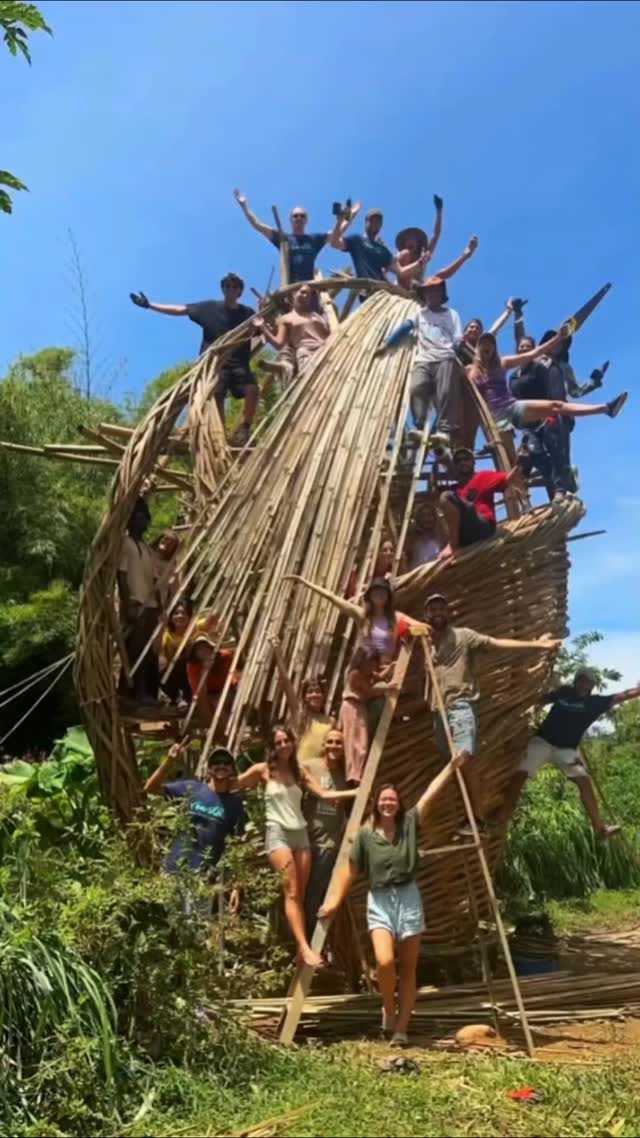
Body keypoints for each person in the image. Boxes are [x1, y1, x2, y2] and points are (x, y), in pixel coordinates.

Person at [319, 754, 466, 1046]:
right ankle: (388, 1006)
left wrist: (450, 767)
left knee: (409, 968)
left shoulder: (409, 823)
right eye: (383, 800)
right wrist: (334, 903)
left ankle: (401, 1028)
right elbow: (350, 870)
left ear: (398, 804)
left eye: (392, 800)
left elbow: (430, 795)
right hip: (380, 899)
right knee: (385, 962)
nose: (388, 804)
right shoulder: (365, 835)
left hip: (409, 897)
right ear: (376, 802)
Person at [422, 593, 561, 831]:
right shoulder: (426, 643)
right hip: (439, 712)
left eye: (441, 609)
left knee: (464, 759)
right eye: (432, 610)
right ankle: (468, 817)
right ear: (426, 615)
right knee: (454, 767)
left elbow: (495, 643)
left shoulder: (463, 636)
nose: (437, 614)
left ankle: (476, 818)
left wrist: (537, 644)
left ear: (448, 613)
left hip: (460, 707)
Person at [236, 726, 355, 967]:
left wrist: (357, 791)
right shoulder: (263, 770)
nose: (283, 746)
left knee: (300, 895)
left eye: (286, 741)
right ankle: (304, 947)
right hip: (277, 831)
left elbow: (323, 794)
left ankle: (302, 951)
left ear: (293, 743)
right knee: (291, 892)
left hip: (300, 834)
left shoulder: (299, 772)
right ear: (273, 746)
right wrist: (213, 781)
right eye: (278, 743)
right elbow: (234, 784)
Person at [491, 670, 640, 837]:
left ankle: (600, 827)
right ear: (576, 682)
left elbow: (624, 695)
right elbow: (541, 700)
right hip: (543, 742)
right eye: (581, 681)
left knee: (584, 781)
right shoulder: (564, 692)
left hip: (566, 750)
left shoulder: (595, 703)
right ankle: (500, 820)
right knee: (520, 775)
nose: (584, 685)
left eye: (588, 683)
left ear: (592, 686)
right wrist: (530, 710)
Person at [467, 330, 627, 467]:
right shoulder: (471, 371)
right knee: (510, 462)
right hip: (496, 417)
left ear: (494, 348)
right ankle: (525, 478)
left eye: (491, 344)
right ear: (478, 348)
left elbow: (533, 353)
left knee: (556, 405)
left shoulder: (502, 362)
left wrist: (558, 338)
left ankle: (607, 408)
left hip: (513, 407)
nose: (487, 346)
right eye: (484, 344)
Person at [130, 273, 257, 445]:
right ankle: (220, 437)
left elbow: (263, 328)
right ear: (223, 289)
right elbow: (180, 310)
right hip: (214, 362)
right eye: (227, 286)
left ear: (240, 292)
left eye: (234, 287)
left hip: (238, 362)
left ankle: (244, 428)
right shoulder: (209, 308)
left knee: (252, 389)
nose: (230, 289)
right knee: (216, 395)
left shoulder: (247, 313)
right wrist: (150, 305)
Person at [376, 266, 477, 448]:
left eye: (435, 292)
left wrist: (451, 350)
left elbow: (457, 337)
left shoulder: (451, 314)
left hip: (445, 357)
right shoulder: (419, 314)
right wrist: (387, 343)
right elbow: (406, 327)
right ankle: (420, 425)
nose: (432, 295)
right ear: (425, 296)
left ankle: (444, 430)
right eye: (429, 293)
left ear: (440, 295)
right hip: (423, 358)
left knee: (446, 393)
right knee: (417, 388)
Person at [145, 744, 245, 914]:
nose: (221, 765)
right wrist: (170, 761)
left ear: (232, 769)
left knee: (197, 932)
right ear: (209, 768)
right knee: (166, 927)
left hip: (203, 879)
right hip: (174, 870)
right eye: (216, 762)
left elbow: (238, 847)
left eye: (226, 762)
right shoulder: (192, 788)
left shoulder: (235, 804)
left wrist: (237, 886)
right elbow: (150, 788)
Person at [285, 574, 413, 672]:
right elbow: (332, 597)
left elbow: (420, 626)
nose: (379, 594)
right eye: (376, 591)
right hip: (361, 673)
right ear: (370, 595)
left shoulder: (395, 618)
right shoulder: (362, 616)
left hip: (387, 673)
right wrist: (303, 581)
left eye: (383, 591)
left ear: (388, 596)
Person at [303, 726, 348, 934]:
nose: (334, 746)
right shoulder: (310, 767)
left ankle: (314, 941)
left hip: (328, 844)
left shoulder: (343, 775)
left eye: (338, 742)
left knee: (317, 894)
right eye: (330, 742)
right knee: (304, 893)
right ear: (323, 745)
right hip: (306, 841)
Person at [438, 447, 524, 558]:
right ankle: (454, 545)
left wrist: (520, 464)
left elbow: (508, 479)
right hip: (464, 534)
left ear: (474, 462)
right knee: (447, 499)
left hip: (482, 527)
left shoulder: (483, 477)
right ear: (455, 466)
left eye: (466, 459)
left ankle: (453, 547)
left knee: (446, 497)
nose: (463, 462)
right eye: (458, 461)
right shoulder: (455, 490)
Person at [234, 189, 330, 285]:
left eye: (302, 216)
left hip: (309, 290)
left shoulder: (314, 239)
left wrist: (344, 218)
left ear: (306, 220)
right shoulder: (284, 239)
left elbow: (334, 235)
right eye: (295, 216)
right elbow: (257, 225)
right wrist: (244, 206)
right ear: (290, 220)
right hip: (290, 290)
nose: (299, 218)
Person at [117, 498, 160, 704]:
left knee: (146, 651)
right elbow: (121, 576)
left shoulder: (146, 547)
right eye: (138, 517)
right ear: (129, 521)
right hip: (135, 604)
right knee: (134, 650)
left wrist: (159, 606)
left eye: (144, 518)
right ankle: (129, 693)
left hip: (149, 604)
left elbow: (154, 579)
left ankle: (142, 693)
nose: (142, 522)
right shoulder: (125, 544)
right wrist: (127, 605)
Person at [340, 645, 398, 785]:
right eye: (369, 663)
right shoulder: (355, 674)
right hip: (351, 706)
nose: (372, 666)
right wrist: (388, 687)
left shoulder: (368, 672)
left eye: (373, 663)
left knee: (362, 741)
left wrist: (390, 668)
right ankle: (352, 775)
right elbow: (369, 692)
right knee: (352, 741)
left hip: (360, 707)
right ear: (362, 660)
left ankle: (358, 773)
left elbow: (379, 677)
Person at [271, 638, 334, 765]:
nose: (314, 694)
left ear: (324, 696)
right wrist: (278, 652)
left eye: (318, 691)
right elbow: (286, 681)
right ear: (304, 697)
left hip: (321, 770)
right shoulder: (299, 715)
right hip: (301, 768)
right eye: (310, 692)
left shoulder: (331, 721)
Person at [252, 284, 330, 379]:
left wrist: (330, 308)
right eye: (302, 292)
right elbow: (279, 344)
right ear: (294, 294)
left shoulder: (315, 315)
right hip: (308, 354)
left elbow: (329, 331)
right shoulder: (285, 319)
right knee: (316, 385)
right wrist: (262, 327)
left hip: (327, 350)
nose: (305, 296)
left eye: (308, 296)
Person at [330, 203, 420, 283]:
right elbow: (334, 243)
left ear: (381, 226)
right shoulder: (357, 240)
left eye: (378, 222)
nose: (375, 224)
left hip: (382, 292)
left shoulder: (384, 251)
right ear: (366, 222)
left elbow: (401, 272)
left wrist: (420, 262)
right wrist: (340, 221)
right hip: (366, 291)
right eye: (372, 220)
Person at [186, 632, 237, 728]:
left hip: (227, 690)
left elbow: (238, 657)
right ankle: (213, 732)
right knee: (203, 704)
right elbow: (199, 692)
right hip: (207, 692)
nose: (203, 652)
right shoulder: (193, 667)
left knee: (218, 703)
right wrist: (205, 672)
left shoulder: (224, 657)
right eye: (199, 649)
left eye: (205, 648)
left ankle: (228, 731)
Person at [394, 196, 444, 288]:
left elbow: (436, 234)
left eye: (413, 239)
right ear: (404, 243)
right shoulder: (401, 255)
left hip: (416, 289)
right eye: (407, 239)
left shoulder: (423, 254)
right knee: (404, 254)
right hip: (400, 285)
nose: (410, 241)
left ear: (418, 242)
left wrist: (439, 211)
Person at [406, 500, 444, 570]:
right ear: (418, 518)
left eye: (429, 515)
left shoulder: (441, 538)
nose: (426, 519)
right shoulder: (411, 539)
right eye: (423, 516)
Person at [151, 532, 181, 608]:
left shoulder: (171, 566)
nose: (167, 543)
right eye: (166, 539)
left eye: (171, 543)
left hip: (157, 604)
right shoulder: (146, 554)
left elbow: (174, 589)